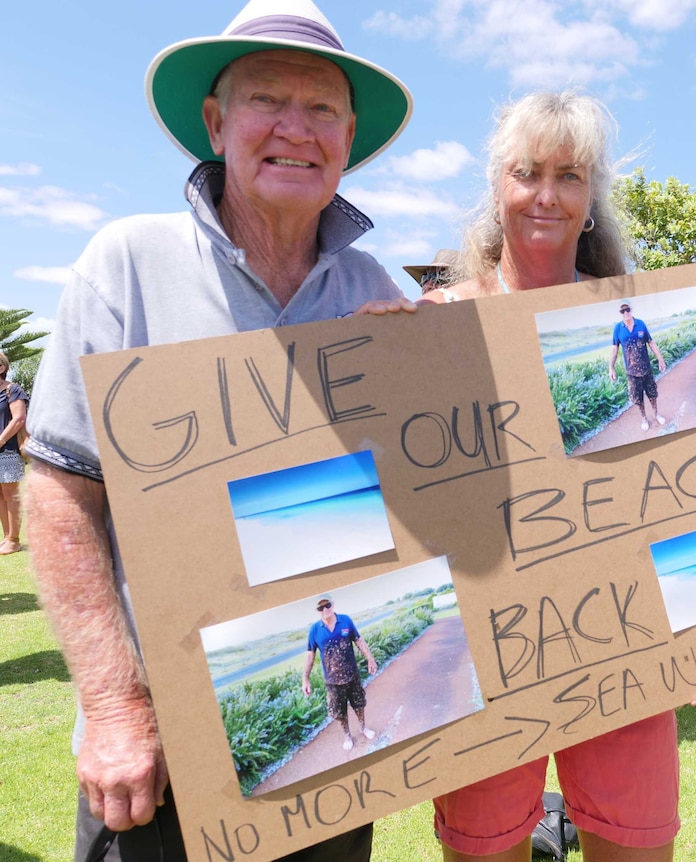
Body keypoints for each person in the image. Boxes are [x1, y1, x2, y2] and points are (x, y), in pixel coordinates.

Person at [23, 1, 413, 859]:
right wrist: (119, 707)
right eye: (267, 99)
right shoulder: (127, 261)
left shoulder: (376, 288)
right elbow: (58, 493)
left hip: (333, 779)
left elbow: (440, 496)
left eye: (321, 110)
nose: (295, 129)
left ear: (347, 137)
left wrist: (429, 367)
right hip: (163, 753)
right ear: (215, 122)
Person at [417, 90, 696, 862]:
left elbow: (693, 484)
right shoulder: (438, 318)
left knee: (634, 846)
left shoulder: (639, 311)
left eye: (570, 174)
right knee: (483, 849)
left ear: (592, 195)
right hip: (491, 652)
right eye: (528, 172)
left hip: (625, 639)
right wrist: (378, 355)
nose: (547, 195)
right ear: (498, 185)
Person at [302, 594, 378, 751]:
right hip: (332, 681)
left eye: (327, 605)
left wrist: (370, 658)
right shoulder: (315, 630)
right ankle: (347, 735)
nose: (325, 609)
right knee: (339, 711)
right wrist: (305, 678)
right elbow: (310, 654)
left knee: (359, 703)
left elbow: (358, 640)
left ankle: (363, 728)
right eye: (320, 607)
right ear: (317, 610)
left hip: (352, 675)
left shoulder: (346, 620)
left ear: (333, 604)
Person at [609, 301, 667, 432]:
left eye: (627, 309)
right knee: (638, 398)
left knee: (652, 394)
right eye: (622, 311)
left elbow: (651, 342)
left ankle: (656, 414)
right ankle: (644, 418)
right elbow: (614, 349)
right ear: (620, 313)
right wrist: (611, 368)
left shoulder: (640, 324)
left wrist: (660, 359)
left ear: (631, 309)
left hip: (646, 369)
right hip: (631, 372)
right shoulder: (618, 328)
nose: (625, 313)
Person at [0, 350, 28, 555]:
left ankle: (14, 539)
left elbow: (19, 419)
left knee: (11, 495)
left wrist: (0, 440)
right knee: (0, 495)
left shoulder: (13, 390)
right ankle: (7, 536)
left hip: (8, 450)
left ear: (2, 368)